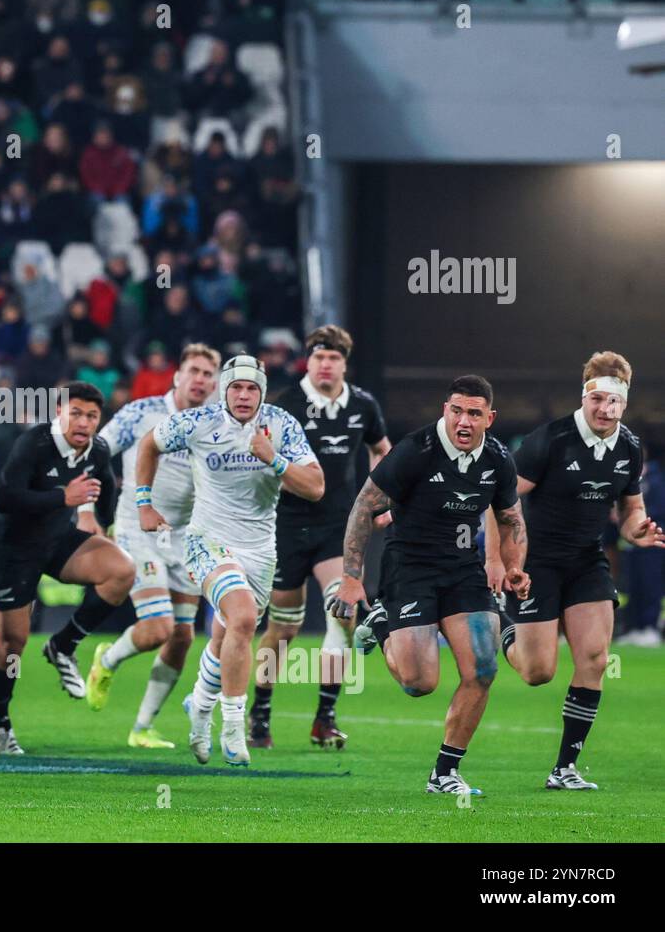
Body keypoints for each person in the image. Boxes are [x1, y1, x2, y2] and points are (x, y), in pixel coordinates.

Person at [334, 375, 528, 796]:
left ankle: (445, 773)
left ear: (488, 419)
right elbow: (364, 508)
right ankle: (383, 624)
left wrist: (513, 567)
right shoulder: (416, 450)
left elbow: (512, 518)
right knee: (419, 684)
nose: (463, 421)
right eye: (456, 410)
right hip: (411, 569)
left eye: (473, 413)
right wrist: (352, 578)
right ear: (445, 410)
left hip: (462, 570)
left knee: (483, 668)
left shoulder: (497, 459)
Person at [486, 352, 663, 789]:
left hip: (586, 562)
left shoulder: (629, 447)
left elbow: (630, 507)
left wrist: (636, 528)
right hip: (538, 564)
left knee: (595, 658)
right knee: (537, 672)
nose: (606, 409)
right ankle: (502, 628)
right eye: (598, 399)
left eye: (614, 402)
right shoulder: (550, 440)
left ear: (625, 402)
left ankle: (565, 768)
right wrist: (497, 560)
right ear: (584, 395)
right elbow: (500, 501)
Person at [137, 355, 323, 767]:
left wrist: (273, 457)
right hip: (207, 542)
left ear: (262, 392)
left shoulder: (281, 425)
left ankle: (200, 706)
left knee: (226, 639)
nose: (243, 395)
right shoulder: (199, 422)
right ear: (224, 390)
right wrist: (143, 503)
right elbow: (149, 443)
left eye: (252, 388)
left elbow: (315, 487)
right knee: (240, 619)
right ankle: (234, 727)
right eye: (236, 387)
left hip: (260, 550)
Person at [252, 325, 391, 750]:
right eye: (318, 358)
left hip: (339, 528)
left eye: (333, 358)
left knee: (343, 613)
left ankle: (324, 719)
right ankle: (259, 716)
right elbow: (261, 461)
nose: (326, 365)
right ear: (307, 362)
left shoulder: (363, 405)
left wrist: (380, 499)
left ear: (344, 364)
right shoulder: (285, 406)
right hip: (287, 527)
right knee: (283, 630)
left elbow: (382, 450)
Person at [0, 382, 135, 755]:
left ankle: (63, 645)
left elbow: (106, 492)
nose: (84, 422)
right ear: (59, 412)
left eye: (92, 416)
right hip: (13, 549)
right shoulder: (34, 444)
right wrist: (62, 498)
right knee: (11, 646)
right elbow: (3, 498)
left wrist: (103, 520)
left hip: (56, 542)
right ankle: (0, 724)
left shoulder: (97, 450)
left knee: (121, 569)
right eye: (76, 413)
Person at [83, 344, 221, 747]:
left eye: (208, 374)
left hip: (184, 538)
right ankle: (106, 661)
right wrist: (88, 509)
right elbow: (95, 451)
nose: (200, 380)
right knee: (159, 628)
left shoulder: (216, 425)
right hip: (136, 529)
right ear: (177, 376)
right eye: (194, 370)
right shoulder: (142, 413)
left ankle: (142, 727)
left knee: (181, 637)